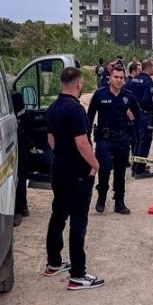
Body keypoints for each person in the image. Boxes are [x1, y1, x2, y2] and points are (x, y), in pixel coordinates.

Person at [44, 67, 104, 290]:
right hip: (77, 172)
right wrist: (94, 164)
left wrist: (63, 154)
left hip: (58, 167)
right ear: (79, 84)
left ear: (62, 83)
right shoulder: (76, 110)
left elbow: (50, 140)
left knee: (58, 215)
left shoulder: (53, 108)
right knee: (78, 221)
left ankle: (53, 262)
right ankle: (78, 274)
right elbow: (82, 143)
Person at [87, 65, 140, 214]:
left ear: (124, 80)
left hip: (122, 139)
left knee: (120, 172)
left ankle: (119, 202)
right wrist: (87, 137)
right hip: (104, 140)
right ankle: (101, 198)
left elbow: (138, 116)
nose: (118, 80)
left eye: (121, 78)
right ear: (110, 78)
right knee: (104, 169)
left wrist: (131, 133)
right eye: (115, 77)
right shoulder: (99, 95)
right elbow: (89, 117)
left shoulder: (128, 96)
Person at [127, 59, 153, 180]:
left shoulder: (134, 79)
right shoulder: (148, 81)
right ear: (148, 68)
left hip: (134, 115)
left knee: (137, 141)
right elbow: (146, 100)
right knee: (144, 143)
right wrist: (151, 108)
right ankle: (140, 170)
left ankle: (135, 167)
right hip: (144, 115)